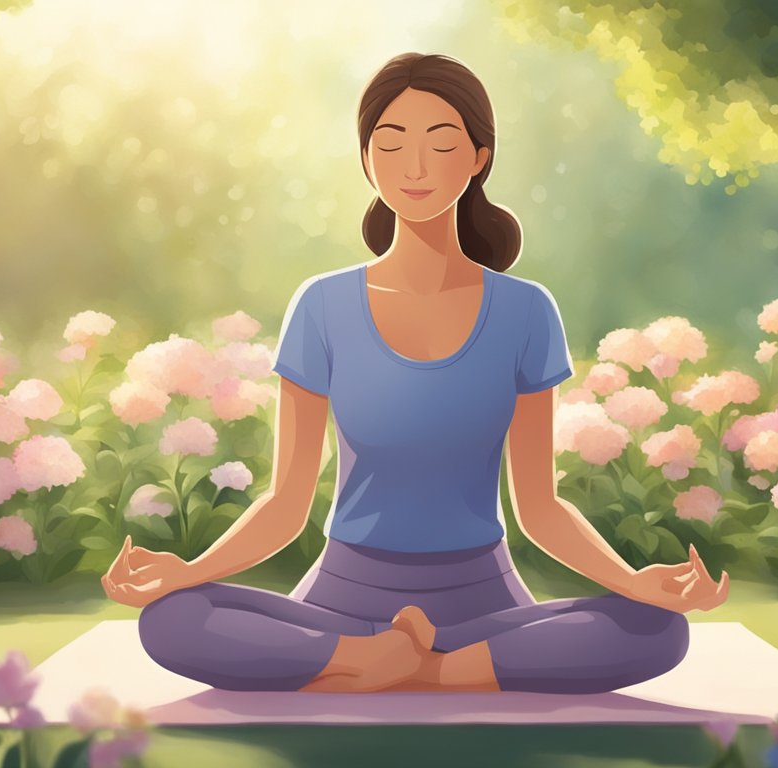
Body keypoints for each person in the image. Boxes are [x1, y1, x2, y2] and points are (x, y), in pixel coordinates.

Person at [104, 52, 729, 694]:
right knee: (174, 618)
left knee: (658, 629)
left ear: (480, 156)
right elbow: (286, 502)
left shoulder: (525, 312)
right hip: (341, 602)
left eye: (441, 143)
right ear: (366, 158)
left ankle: (418, 667)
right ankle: (369, 657)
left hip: (482, 606)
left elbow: (538, 508)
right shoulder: (322, 305)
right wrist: (190, 570)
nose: (416, 168)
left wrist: (632, 583)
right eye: (391, 144)